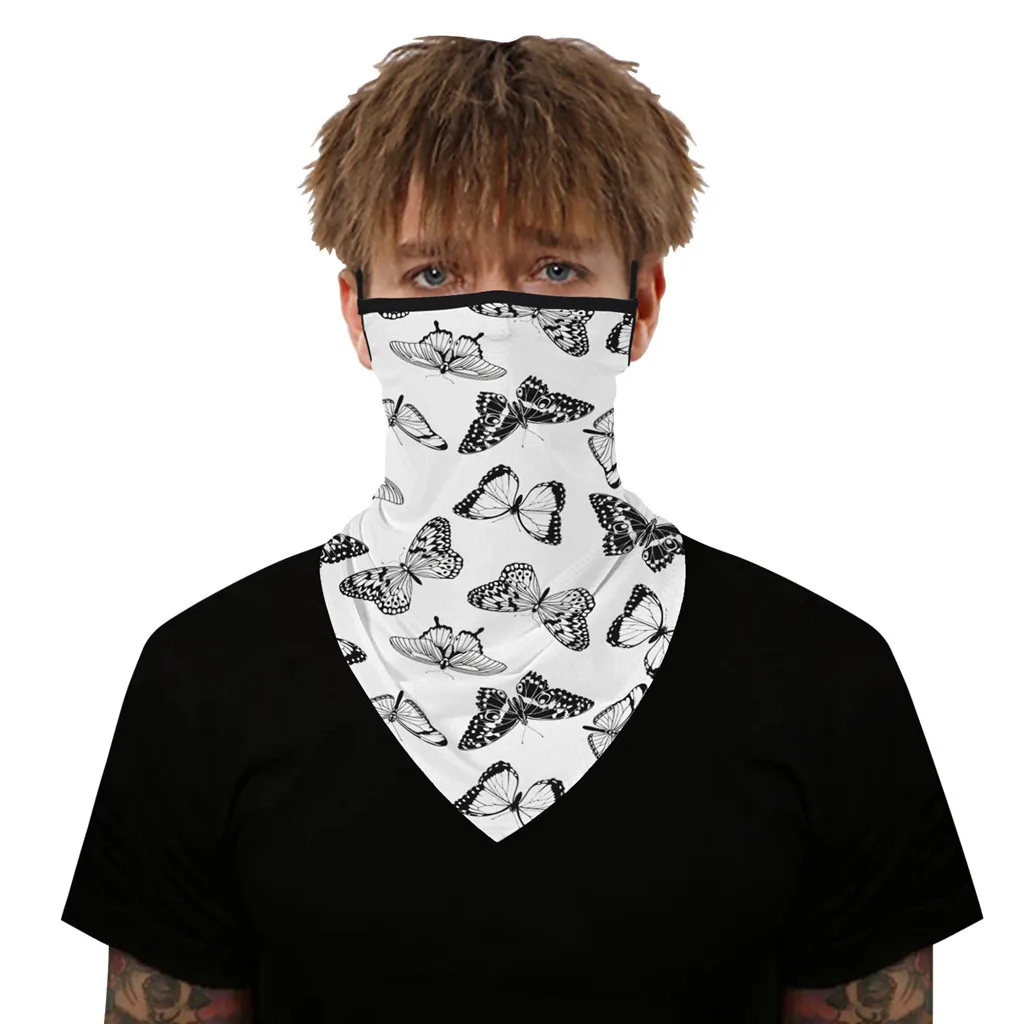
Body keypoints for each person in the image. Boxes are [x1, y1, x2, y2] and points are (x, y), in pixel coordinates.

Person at [61, 34, 983, 1023]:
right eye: (431, 276)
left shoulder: (826, 686)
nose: (494, 328)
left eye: (553, 268)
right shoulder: (203, 685)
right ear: (357, 315)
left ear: (642, 303)